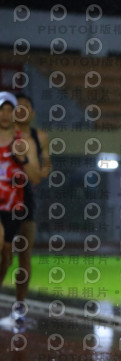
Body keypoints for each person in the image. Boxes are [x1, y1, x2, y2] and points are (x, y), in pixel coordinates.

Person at [0, 91, 41, 331]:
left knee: (12, 255)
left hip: (18, 205)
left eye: (10, 110)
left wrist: (23, 159)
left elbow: (36, 176)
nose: (6, 114)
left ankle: (18, 307)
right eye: (2, 110)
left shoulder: (26, 142)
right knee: (2, 248)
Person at [14, 94, 51, 308]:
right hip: (3, 198)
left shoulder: (40, 138)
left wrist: (30, 164)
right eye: (17, 107)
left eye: (25, 107)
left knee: (24, 254)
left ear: (33, 112)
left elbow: (44, 169)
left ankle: (20, 304)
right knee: (5, 252)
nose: (21, 110)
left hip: (26, 199)